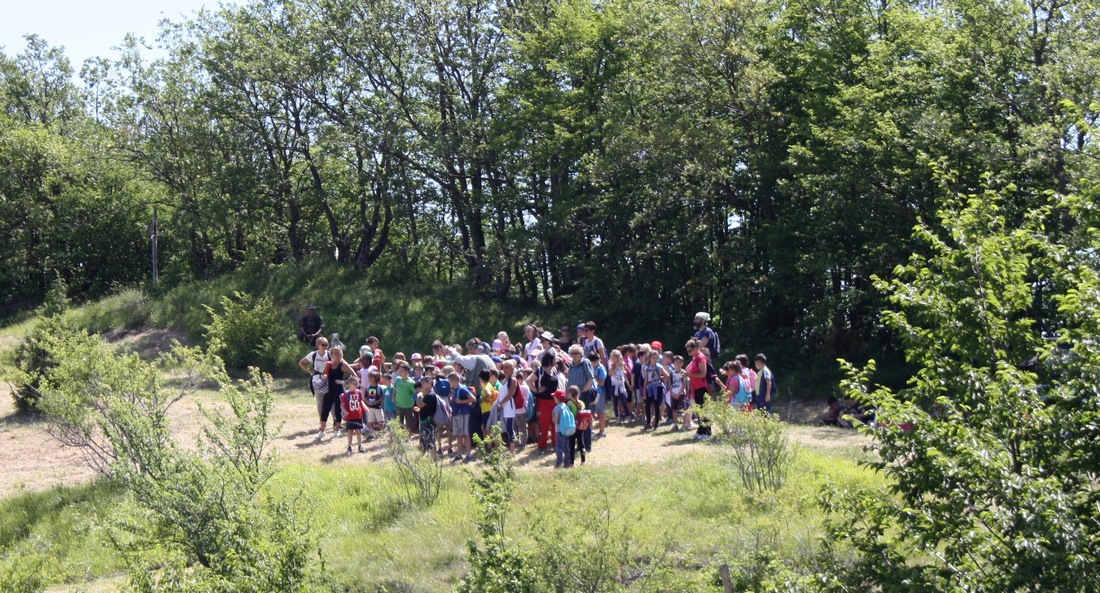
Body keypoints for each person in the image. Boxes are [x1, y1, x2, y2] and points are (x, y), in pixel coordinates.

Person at [527, 350, 559, 453]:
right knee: (544, 424)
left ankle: (556, 443)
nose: (556, 361)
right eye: (554, 359)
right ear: (550, 360)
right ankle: (542, 445)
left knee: (555, 422)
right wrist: (536, 390)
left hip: (555, 400)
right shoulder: (540, 371)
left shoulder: (554, 369)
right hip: (543, 401)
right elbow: (528, 380)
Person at [320, 346, 355, 440]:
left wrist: (345, 382)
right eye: (335, 353)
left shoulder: (343, 364)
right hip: (328, 390)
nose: (337, 354)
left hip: (339, 391)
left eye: (338, 352)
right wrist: (324, 376)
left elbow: (354, 375)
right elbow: (324, 374)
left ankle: (337, 430)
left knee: (338, 411)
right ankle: (322, 430)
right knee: (324, 409)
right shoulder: (328, 364)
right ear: (331, 354)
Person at [566, 345, 595, 452]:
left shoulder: (585, 363)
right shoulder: (571, 365)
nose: (573, 355)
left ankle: (587, 445)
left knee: (584, 419)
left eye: (576, 353)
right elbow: (569, 381)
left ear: (580, 354)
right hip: (571, 396)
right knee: (574, 420)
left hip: (583, 395)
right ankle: (579, 444)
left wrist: (582, 391)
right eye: (572, 353)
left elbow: (590, 378)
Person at [299, 337, 331, 424]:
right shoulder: (313, 355)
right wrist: (310, 370)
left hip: (328, 379)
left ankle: (336, 421)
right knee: (320, 401)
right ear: (318, 345)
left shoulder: (329, 354)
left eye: (326, 344)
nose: (325, 346)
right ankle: (322, 421)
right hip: (317, 379)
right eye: (323, 344)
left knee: (331, 401)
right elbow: (301, 363)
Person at [685, 339, 711, 439]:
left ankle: (707, 432)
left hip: (702, 387)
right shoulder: (694, 358)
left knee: (704, 410)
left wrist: (689, 374)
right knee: (698, 410)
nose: (689, 353)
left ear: (696, 348)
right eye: (687, 351)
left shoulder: (701, 358)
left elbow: (702, 374)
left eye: (690, 350)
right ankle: (700, 430)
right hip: (695, 387)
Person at [449, 372, 477, 463]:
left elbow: (473, 398)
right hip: (457, 414)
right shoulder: (456, 390)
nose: (449, 383)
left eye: (450, 381)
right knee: (459, 435)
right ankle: (459, 454)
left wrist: (460, 402)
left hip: (463, 414)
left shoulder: (462, 389)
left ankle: (468, 454)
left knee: (465, 434)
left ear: (454, 381)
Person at [641, 348, 668, 431]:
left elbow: (667, 376)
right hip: (650, 387)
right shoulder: (647, 368)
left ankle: (656, 423)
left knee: (656, 405)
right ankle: (648, 423)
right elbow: (646, 380)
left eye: (656, 358)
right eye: (653, 358)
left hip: (658, 386)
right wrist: (644, 391)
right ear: (649, 358)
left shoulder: (659, 367)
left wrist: (661, 378)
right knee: (648, 405)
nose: (655, 359)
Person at [340, 375, 366, 455]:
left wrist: (365, 408)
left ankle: (360, 445)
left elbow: (361, 401)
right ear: (350, 384)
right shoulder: (346, 394)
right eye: (355, 384)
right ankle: (349, 446)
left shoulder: (358, 392)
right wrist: (345, 411)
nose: (356, 386)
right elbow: (342, 405)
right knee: (350, 431)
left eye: (357, 384)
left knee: (358, 431)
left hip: (358, 415)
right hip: (350, 416)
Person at [394, 362, 418, 435]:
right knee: (399, 422)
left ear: (407, 371)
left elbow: (415, 393)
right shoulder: (398, 379)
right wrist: (393, 397)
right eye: (399, 371)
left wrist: (413, 402)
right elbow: (395, 389)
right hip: (398, 404)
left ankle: (408, 437)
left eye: (401, 371)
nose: (399, 372)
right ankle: (400, 437)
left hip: (408, 406)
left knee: (409, 423)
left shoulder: (411, 382)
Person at [415, 377, 438, 453]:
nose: (422, 385)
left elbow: (419, 405)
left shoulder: (430, 395)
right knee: (424, 440)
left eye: (423, 383)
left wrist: (418, 396)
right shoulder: (427, 395)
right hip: (425, 420)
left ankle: (433, 457)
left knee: (429, 440)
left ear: (429, 382)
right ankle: (423, 457)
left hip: (427, 421)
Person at [567, 386, 588, 466]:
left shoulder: (569, 403)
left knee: (571, 444)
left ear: (570, 394)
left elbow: (568, 413)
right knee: (580, 442)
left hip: (572, 425)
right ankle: (583, 460)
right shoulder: (582, 403)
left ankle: (571, 462)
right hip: (580, 425)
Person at [589, 351, 608, 438]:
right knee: (590, 412)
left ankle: (602, 431)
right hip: (591, 393)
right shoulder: (590, 367)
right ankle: (590, 431)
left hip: (599, 393)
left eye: (593, 362)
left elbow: (601, 383)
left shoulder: (601, 368)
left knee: (600, 412)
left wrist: (593, 376)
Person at [552, 389, 571, 468]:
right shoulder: (566, 406)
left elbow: (555, 420)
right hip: (567, 430)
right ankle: (567, 463)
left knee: (559, 447)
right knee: (567, 447)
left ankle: (558, 463)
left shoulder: (556, 408)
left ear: (557, 398)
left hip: (559, 430)